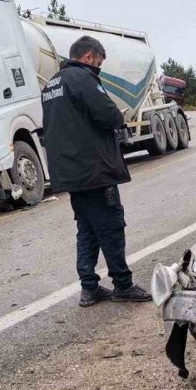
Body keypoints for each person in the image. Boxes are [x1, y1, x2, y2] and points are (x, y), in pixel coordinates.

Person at [41, 36, 151, 307]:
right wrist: (119, 115)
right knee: (111, 226)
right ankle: (122, 284)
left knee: (87, 228)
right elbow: (108, 115)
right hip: (94, 169)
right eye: (99, 62)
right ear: (89, 56)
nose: (99, 67)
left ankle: (89, 288)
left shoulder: (51, 85)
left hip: (71, 173)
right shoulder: (83, 79)